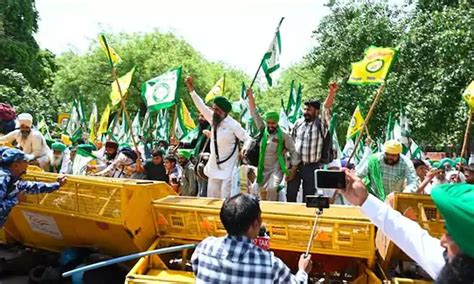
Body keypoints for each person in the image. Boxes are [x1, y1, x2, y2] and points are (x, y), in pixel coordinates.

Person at [343, 170, 474, 283]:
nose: (442, 241)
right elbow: (409, 234)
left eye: (451, 235)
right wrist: (364, 200)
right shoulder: (456, 266)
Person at [191, 193, 312, 283]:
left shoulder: (205, 247)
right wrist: (302, 270)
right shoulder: (270, 264)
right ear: (255, 224)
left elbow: (196, 269)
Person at [185, 76, 252, 198]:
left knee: (225, 196)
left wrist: (245, 148)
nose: (214, 112)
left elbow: (248, 138)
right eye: (214, 109)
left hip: (229, 166)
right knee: (212, 196)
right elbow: (201, 106)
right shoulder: (213, 119)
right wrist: (191, 89)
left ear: (224, 112)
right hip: (214, 166)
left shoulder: (233, 125)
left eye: (217, 110)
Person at [287, 83, 338, 202]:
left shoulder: (321, 124)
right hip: (295, 165)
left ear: (316, 111)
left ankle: (306, 220)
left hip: (311, 167)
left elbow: (326, 109)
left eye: (309, 110)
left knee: (308, 196)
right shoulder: (298, 123)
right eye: (305, 109)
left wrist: (331, 92)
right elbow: (291, 142)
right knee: (290, 194)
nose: (306, 112)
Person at [245, 89, 299, 201]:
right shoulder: (263, 129)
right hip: (262, 168)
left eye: (273, 123)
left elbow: (293, 151)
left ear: (277, 122)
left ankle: (271, 211)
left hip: (277, 168)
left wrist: (293, 169)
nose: (270, 126)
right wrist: (251, 98)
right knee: (257, 189)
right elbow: (254, 114)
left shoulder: (284, 135)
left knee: (272, 188)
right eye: (268, 123)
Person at [0, 147, 67, 227]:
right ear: (15, 165)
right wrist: (15, 200)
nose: (28, 164)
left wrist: (57, 184)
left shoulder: (12, 178)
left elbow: (31, 186)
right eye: (25, 161)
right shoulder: (2, 180)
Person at [171, 113, 211, 197]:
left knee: (206, 188)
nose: (200, 118)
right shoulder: (200, 131)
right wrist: (179, 143)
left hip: (209, 163)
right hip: (200, 162)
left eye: (203, 116)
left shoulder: (212, 129)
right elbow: (193, 144)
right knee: (201, 187)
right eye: (199, 116)